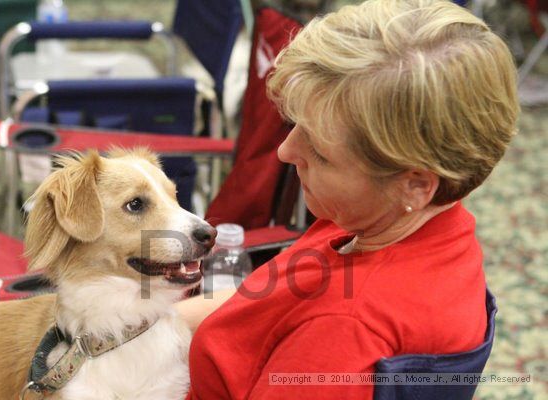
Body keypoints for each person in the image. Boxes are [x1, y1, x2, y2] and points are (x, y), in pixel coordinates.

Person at [175, 0, 519, 398]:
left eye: (320, 152)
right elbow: (263, 302)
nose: (285, 151)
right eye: (296, 125)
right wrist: (131, 328)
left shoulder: (344, 334)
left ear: (415, 184)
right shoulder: (402, 221)